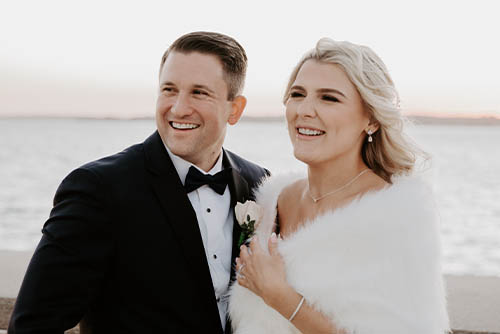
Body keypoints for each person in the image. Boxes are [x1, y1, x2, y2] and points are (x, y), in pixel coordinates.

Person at [9, 31, 269, 334]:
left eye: (199, 92)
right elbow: (33, 324)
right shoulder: (98, 189)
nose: (179, 108)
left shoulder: (259, 184)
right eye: (169, 90)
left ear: (234, 109)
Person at [229, 38, 450, 334]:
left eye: (329, 98)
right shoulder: (272, 200)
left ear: (371, 119)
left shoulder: (397, 214)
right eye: (297, 94)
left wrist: (280, 297)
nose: (304, 110)